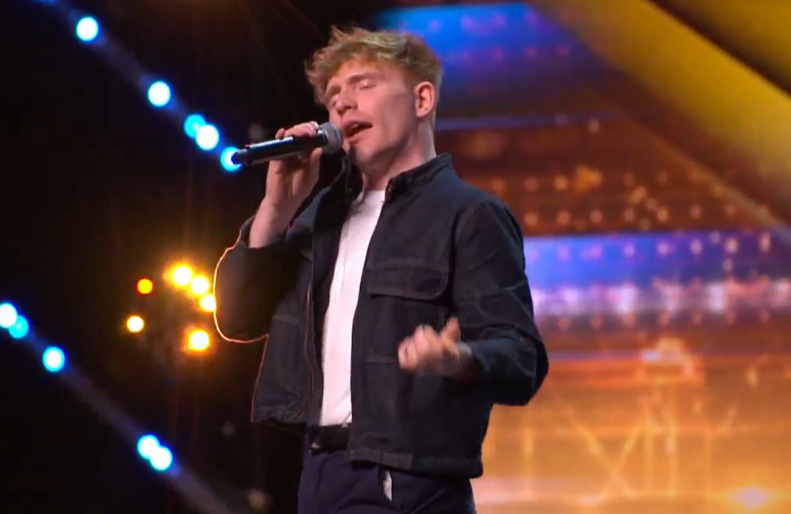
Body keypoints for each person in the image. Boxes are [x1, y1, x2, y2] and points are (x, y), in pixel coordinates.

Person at [214, 27, 548, 514]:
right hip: (320, 474)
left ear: (422, 99)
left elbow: (521, 358)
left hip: (408, 481)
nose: (343, 104)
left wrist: (459, 358)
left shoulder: (469, 215)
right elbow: (237, 318)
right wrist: (275, 210)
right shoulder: (316, 219)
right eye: (333, 97)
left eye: (364, 84)